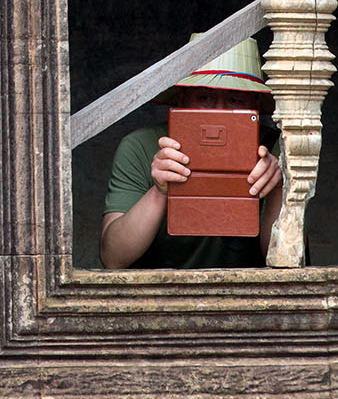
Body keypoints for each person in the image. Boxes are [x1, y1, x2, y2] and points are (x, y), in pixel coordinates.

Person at [99, 38, 285, 270]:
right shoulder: (141, 146)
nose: (219, 112)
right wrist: (159, 191)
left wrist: (278, 187)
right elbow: (113, 258)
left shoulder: (278, 149)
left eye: (234, 99)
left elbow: (284, 261)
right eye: (204, 98)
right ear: (182, 98)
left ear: (255, 104)